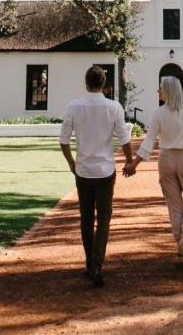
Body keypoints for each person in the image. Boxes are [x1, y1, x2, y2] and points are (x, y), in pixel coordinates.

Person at [123, 75, 183, 270]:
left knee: (174, 206)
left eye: (160, 89)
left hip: (167, 159)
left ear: (168, 91)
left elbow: (149, 142)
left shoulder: (158, 114)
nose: (158, 92)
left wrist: (134, 164)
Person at [60, 65, 133, 288]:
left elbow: (64, 141)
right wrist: (130, 161)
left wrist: (72, 163)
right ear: (104, 84)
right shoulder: (114, 107)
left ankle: (89, 264)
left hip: (83, 170)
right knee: (103, 218)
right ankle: (97, 265)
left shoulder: (74, 106)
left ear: (86, 83)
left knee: (86, 218)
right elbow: (124, 138)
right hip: (105, 170)